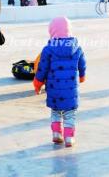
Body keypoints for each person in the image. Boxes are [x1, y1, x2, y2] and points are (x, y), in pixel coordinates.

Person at [33, 17, 86, 147]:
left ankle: (57, 134)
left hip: (53, 89)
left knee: (56, 111)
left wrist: (38, 83)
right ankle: (69, 138)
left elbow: (42, 68)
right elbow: (82, 64)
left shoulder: (48, 49)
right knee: (69, 113)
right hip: (70, 89)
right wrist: (82, 77)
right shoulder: (77, 47)